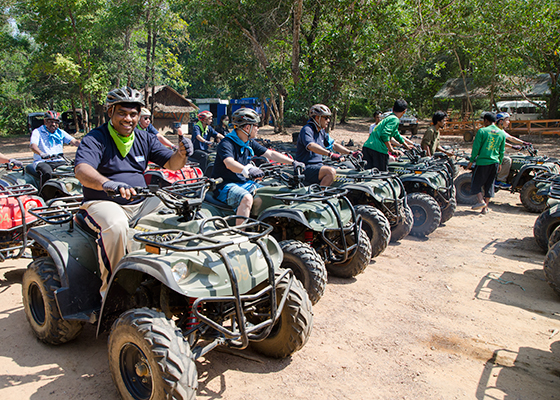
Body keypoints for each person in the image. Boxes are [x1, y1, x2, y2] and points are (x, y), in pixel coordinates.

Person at [74, 86, 193, 297]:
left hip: (141, 202)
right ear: (110, 112)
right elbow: (82, 170)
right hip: (102, 202)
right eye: (122, 113)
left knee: (182, 213)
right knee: (116, 226)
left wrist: (182, 153)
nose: (128, 119)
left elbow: (171, 163)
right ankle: (114, 293)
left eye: (133, 114)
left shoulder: (144, 138)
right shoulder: (95, 139)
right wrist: (107, 184)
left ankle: (180, 278)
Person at [211, 108, 304, 222]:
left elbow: (270, 153)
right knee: (246, 198)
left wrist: (293, 162)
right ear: (247, 127)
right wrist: (247, 170)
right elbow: (229, 163)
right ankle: (241, 234)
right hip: (225, 185)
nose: (258, 129)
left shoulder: (248, 142)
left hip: (244, 183)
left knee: (270, 193)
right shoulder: (227, 143)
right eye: (256, 125)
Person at [295, 104, 360, 186]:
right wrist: (330, 154)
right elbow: (311, 146)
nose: (328, 120)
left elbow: (333, 145)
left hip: (318, 166)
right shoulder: (307, 130)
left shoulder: (321, 132)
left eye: (329, 118)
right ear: (317, 118)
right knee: (330, 172)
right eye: (325, 118)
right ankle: (320, 197)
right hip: (305, 167)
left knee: (342, 171)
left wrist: (351, 153)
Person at [466, 112, 506, 214]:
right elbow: (502, 151)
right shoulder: (501, 133)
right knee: (490, 184)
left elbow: (476, 148)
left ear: (486, 121)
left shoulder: (482, 131)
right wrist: (500, 162)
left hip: (483, 162)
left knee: (475, 182)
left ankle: (481, 201)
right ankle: (485, 208)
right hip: (495, 162)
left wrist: (471, 160)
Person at [30, 110, 80, 188]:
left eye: (56, 122)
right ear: (45, 121)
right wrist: (41, 153)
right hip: (43, 161)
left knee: (73, 170)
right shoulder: (37, 132)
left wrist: (87, 145)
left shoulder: (60, 132)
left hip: (59, 160)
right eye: (50, 121)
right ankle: (45, 195)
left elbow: (74, 141)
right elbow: (33, 146)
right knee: (47, 173)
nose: (53, 124)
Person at [362, 99, 412, 171]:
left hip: (368, 147)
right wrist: (391, 149)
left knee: (368, 174)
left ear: (393, 108)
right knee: (381, 175)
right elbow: (385, 134)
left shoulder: (388, 118)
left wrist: (406, 146)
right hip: (378, 150)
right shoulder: (395, 119)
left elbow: (396, 134)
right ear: (404, 111)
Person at [494, 112, 532, 188]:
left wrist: (524, 143)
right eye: (507, 120)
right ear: (501, 121)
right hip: (493, 153)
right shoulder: (495, 130)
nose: (509, 122)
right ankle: (500, 181)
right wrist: (512, 146)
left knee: (515, 157)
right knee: (507, 160)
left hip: (498, 152)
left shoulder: (501, 130)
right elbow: (500, 143)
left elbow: (511, 138)